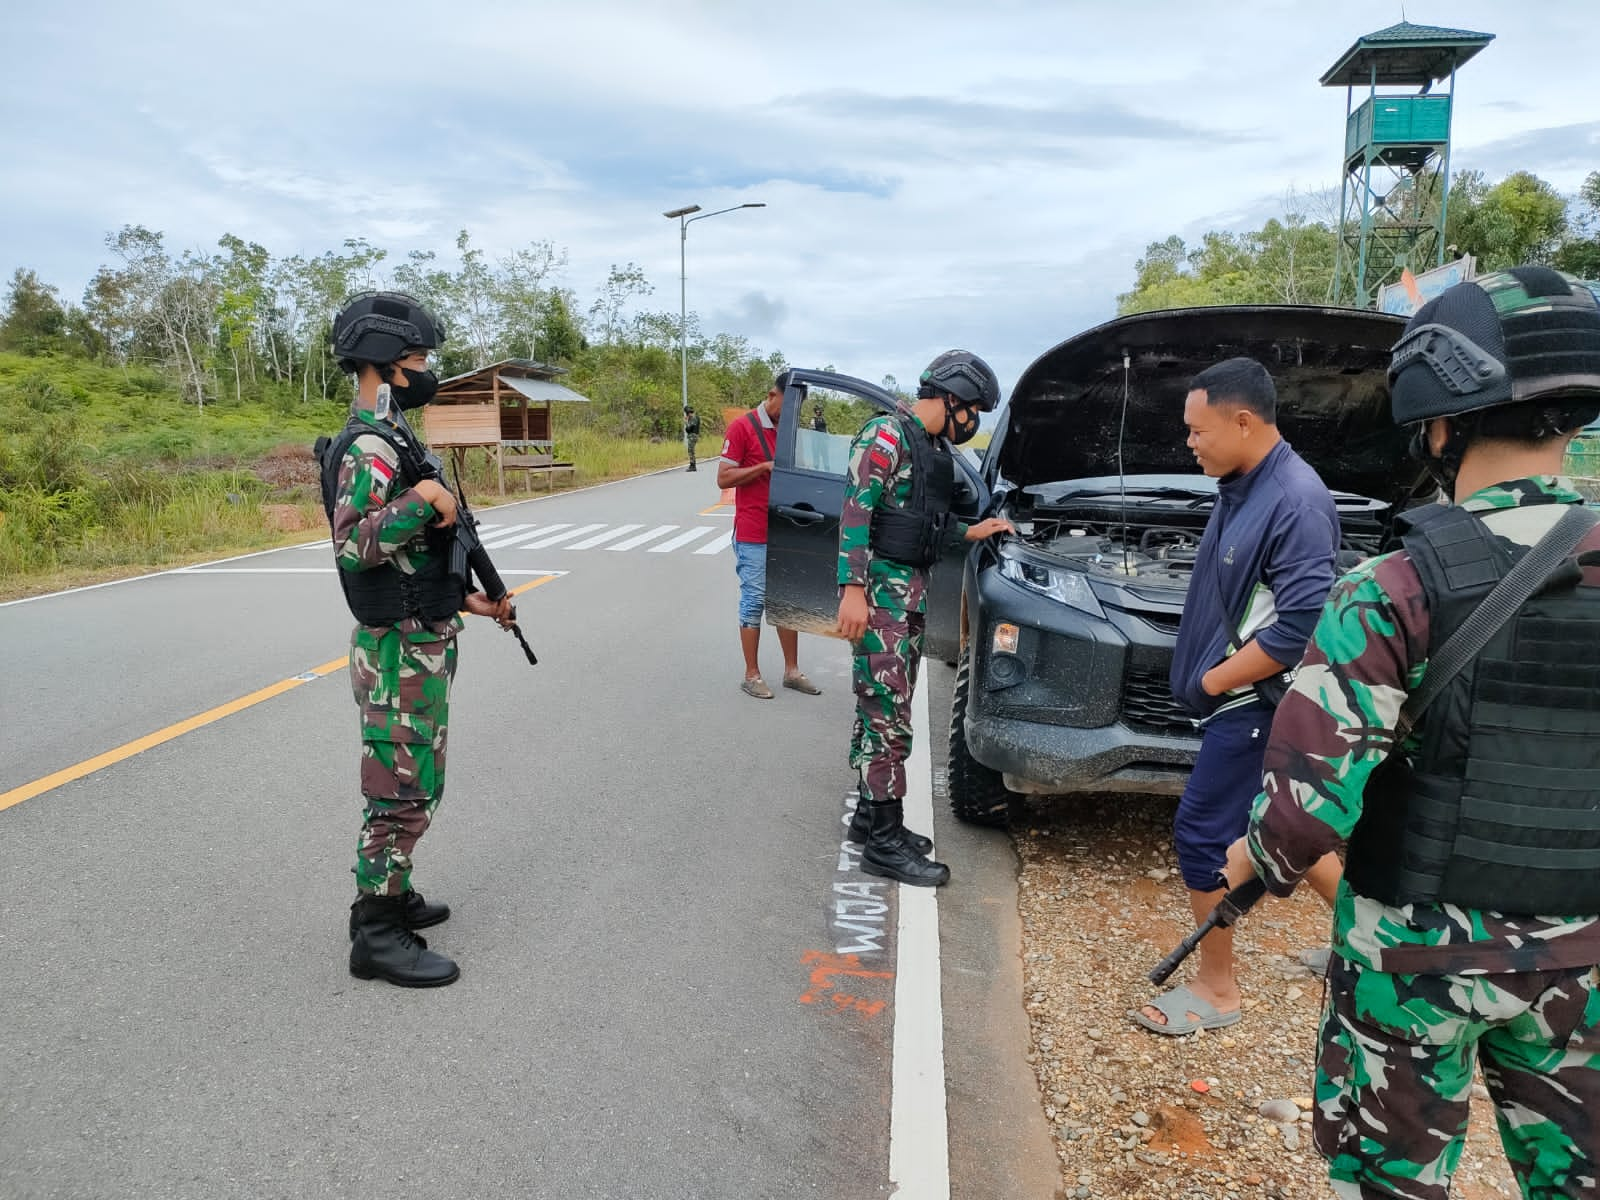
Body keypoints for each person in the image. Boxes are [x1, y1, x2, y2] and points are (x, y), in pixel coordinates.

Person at [1222, 266, 1600, 1199]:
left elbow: (1301, 816)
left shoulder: (1390, 591)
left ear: (1440, 417)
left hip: (1410, 965)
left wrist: (1249, 869)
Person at [1134, 356, 1343, 1035]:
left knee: (1202, 832)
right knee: (1291, 827)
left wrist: (1216, 679)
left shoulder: (1296, 501)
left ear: (1245, 421)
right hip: (1238, 700)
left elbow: (1302, 624)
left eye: (1199, 431)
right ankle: (1371, 943)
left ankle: (1216, 989)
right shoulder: (1243, 483)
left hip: (1255, 706)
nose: (1190, 442)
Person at [320, 291, 513, 988]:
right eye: (419, 359)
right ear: (384, 361)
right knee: (399, 793)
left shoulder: (396, 432)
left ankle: (393, 893)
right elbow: (354, 546)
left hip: (421, 639)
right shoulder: (370, 448)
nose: (427, 371)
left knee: (419, 781)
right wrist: (422, 502)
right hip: (397, 651)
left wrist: (473, 600)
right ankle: (375, 932)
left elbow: (414, 560)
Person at [836, 350, 1014, 886]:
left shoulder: (928, 447)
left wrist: (970, 532)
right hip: (879, 599)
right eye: (974, 410)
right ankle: (885, 844)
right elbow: (856, 512)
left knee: (884, 707)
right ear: (954, 398)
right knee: (888, 716)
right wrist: (850, 590)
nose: (973, 421)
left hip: (905, 598)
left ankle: (872, 819)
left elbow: (916, 521)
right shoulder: (886, 436)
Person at [717, 380, 819, 699]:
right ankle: (752, 674)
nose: (791, 413)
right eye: (788, 406)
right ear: (772, 396)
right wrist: (762, 467)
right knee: (754, 601)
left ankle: (791, 671)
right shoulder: (742, 428)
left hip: (785, 530)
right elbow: (723, 477)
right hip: (753, 531)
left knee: (787, 600)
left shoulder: (789, 434)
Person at [683, 405, 701, 472]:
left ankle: (692, 465)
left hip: (693, 436)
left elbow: (689, 428)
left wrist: (686, 422)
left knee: (691, 451)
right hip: (693, 436)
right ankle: (692, 465)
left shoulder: (694, 418)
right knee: (691, 450)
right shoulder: (695, 417)